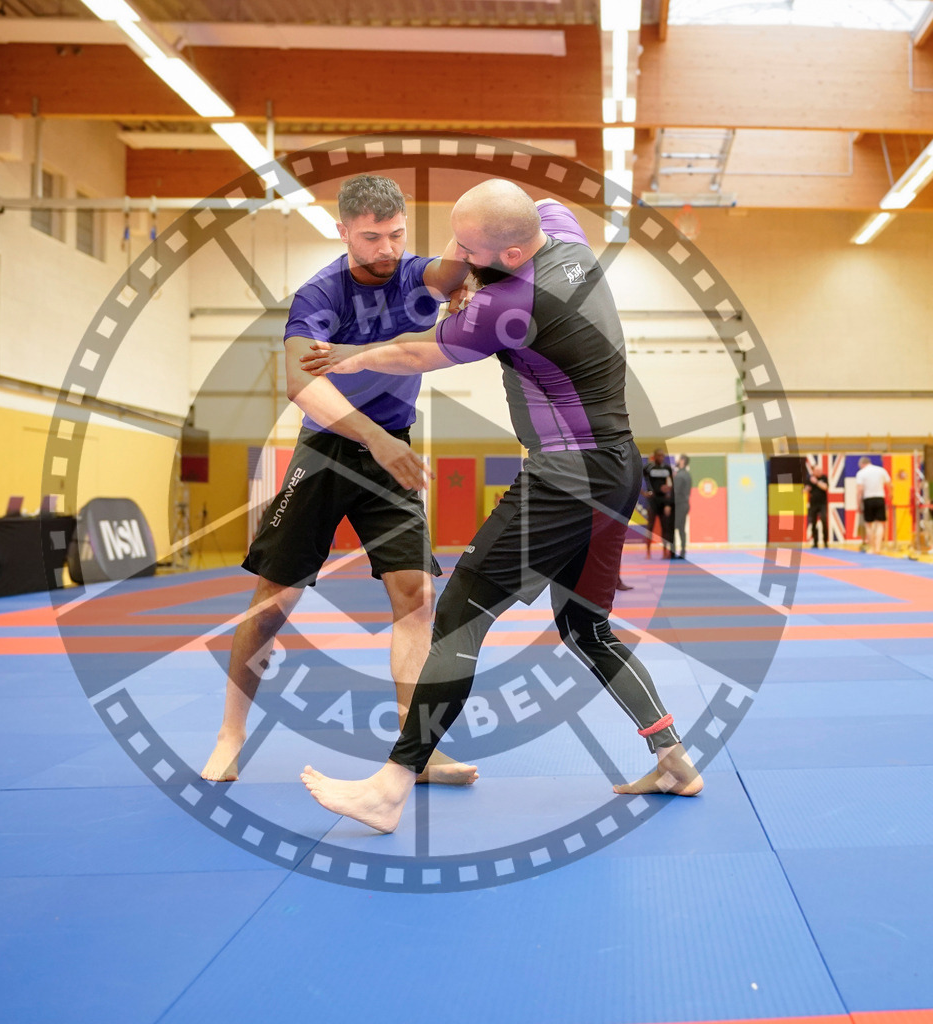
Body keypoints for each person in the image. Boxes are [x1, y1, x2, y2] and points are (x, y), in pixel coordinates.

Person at [298, 180, 702, 834]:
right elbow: (519, 215)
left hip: (568, 475)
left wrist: (346, 356)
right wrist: (468, 266)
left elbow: (416, 351)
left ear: (511, 254)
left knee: (457, 619)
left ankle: (390, 785)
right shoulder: (564, 231)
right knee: (585, 628)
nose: (457, 256)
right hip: (617, 466)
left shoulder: (512, 304)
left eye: (473, 249)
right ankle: (674, 760)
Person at [200, 174, 477, 786]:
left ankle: (415, 750)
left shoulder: (415, 273)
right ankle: (230, 733)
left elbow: (466, 270)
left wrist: (470, 288)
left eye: (397, 234)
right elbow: (302, 385)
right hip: (327, 450)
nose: (386, 249)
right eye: (372, 237)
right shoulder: (320, 293)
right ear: (343, 230)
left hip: (393, 452)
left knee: (415, 595)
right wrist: (374, 438)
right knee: (273, 602)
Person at [855, 456, 891, 554]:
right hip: (880, 498)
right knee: (880, 524)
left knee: (868, 524)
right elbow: (889, 484)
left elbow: (860, 490)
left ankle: (872, 547)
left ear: (862, 464)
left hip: (868, 499)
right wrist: (890, 495)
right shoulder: (881, 470)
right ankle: (878, 547)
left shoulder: (861, 473)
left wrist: (858, 503)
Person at [642, 448, 674, 558]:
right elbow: (637, 478)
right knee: (650, 526)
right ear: (654, 456)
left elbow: (672, 484)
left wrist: (668, 489)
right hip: (652, 500)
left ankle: (665, 552)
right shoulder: (648, 467)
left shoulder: (667, 468)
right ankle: (648, 552)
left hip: (663, 500)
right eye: (659, 456)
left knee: (665, 527)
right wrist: (643, 493)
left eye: (662, 456)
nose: (661, 458)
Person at [805, 463, 829, 548]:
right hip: (813, 504)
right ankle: (815, 542)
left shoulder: (824, 478)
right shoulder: (809, 478)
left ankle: (825, 541)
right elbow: (805, 490)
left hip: (822, 503)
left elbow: (825, 487)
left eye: (820, 470)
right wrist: (807, 488)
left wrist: (816, 482)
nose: (819, 472)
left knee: (824, 520)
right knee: (813, 522)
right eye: (817, 470)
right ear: (813, 471)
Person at [672, 454, 691, 559]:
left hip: (679, 505)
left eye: (679, 460)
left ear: (683, 461)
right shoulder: (687, 474)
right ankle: (682, 551)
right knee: (681, 528)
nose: (677, 461)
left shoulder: (680, 475)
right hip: (684, 504)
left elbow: (676, 491)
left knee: (674, 528)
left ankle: (673, 551)